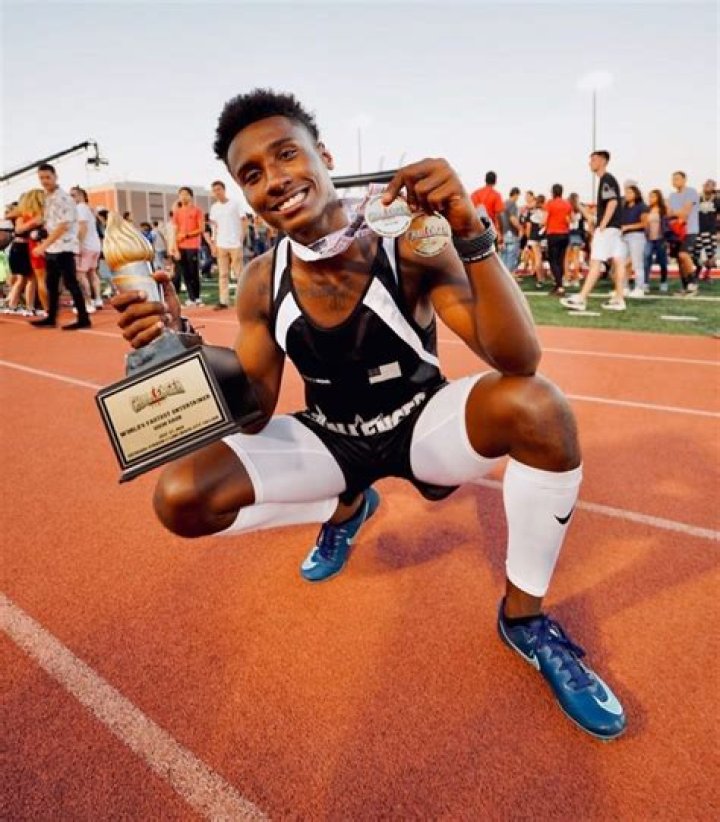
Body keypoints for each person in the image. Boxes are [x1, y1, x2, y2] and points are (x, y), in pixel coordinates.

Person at [112, 89, 626, 740]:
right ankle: (345, 506)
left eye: (286, 154)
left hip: (422, 424)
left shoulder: (406, 241)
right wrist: (189, 353)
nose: (274, 180)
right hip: (335, 438)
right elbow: (256, 412)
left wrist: (471, 233)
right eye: (252, 174)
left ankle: (524, 619)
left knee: (539, 406)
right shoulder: (262, 279)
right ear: (245, 195)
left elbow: (517, 357)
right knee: (182, 498)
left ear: (324, 157)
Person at [561, 151, 626, 312]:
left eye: (594, 159)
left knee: (595, 262)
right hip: (614, 228)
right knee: (618, 262)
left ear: (603, 161)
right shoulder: (607, 180)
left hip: (608, 228)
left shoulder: (606, 179)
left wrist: (602, 224)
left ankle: (581, 298)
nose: (590, 163)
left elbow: (612, 202)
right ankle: (619, 298)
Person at [30, 164, 90, 329]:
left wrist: (43, 246)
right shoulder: (48, 198)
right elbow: (49, 222)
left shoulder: (64, 198)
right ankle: (51, 317)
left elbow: (63, 226)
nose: (44, 181)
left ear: (55, 177)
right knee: (51, 283)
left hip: (64, 247)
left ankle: (83, 318)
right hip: (52, 248)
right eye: (41, 178)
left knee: (71, 283)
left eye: (47, 177)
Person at [209, 180, 244, 310]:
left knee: (238, 273)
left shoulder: (235, 204)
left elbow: (243, 220)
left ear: (224, 190)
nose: (217, 192)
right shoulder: (214, 208)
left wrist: (241, 238)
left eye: (219, 189)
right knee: (223, 274)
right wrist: (213, 243)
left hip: (235, 243)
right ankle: (223, 301)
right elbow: (214, 226)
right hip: (221, 243)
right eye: (214, 190)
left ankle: (242, 299)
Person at [71, 186, 103, 312]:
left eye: (73, 195)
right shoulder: (89, 209)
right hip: (94, 246)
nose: (70, 198)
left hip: (85, 246)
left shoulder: (80, 208)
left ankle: (87, 303)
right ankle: (98, 299)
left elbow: (82, 227)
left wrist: (78, 244)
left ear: (81, 196)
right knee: (92, 273)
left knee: (80, 274)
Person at [667, 171, 699, 295]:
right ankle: (685, 287)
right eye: (673, 179)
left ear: (684, 180)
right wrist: (676, 213)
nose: (674, 181)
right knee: (679, 260)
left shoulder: (691, 192)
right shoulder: (672, 196)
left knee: (683, 255)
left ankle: (693, 282)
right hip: (675, 231)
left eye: (677, 178)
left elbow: (685, 213)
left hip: (690, 230)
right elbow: (668, 213)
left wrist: (675, 213)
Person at [171, 187, 204, 306]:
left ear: (191, 196)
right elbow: (174, 231)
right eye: (181, 195)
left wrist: (186, 235)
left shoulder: (197, 211)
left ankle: (197, 297)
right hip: (181, 247)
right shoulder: (177, 213)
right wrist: (175, 248)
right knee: (185, 273)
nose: (183, 197)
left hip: (193, 246)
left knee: (194, 271)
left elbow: (201, 229)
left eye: (186, 194)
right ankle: (191, 297)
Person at [543, 184, 572, 296]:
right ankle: (558, 285)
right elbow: (570, 220)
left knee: (553, 261)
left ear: (553, 192)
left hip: (553, 234)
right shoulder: (567, 204)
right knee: (560, 260)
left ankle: (559, 286)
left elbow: (544, 220)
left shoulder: (550, 203)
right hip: (565, 234)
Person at [620, 184, 648, 297]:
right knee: (623, 263)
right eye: (626, 192)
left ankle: (639, 288)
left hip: (637, 236)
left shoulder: (642, 207)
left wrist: (628, 227)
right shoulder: (624, 207)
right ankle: (624, 287)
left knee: (637, 263)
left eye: (629, 192)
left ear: (636, 194)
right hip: (624, 236)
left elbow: (644, 223)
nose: (627, 195)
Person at [644, 189, 669, 292]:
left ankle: (663, 282)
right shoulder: (647, 210)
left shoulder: (663, 210)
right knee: (646, 259)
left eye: (653, 196)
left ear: (658, 198)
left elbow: (666, 225)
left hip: (660, 239)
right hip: (649, 239)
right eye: (650, 196)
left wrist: (666, 239)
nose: (651, 198)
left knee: (662, 262)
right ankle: (646, 283)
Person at [470, 171, 505, 239]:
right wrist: (501, 232)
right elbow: (499, 216)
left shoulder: (475, 193)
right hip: (490, 232)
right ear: (495, 181)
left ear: (485, 180)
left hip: (475, 232)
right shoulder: (496, 195)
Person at [696, 179, 718, 280]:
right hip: (698, 230)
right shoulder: (698, 198)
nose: (706, 186)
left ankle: (706, 274)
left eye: (709, 185)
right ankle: (697, 273)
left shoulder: (717, 200)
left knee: (710, 253)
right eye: (705, 184)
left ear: (713, 187)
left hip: (711, 231)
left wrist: (718, 231)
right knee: (696, 254)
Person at [498, 187, 521, 273]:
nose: (518, 198)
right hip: (512, 233)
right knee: (511, 257)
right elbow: (513, 219)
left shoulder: (503, 204)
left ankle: (502, 277)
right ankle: (509, 276)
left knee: (503, 257)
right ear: (515, 194)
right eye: (518, 196)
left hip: (504, 233)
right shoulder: (512, 204)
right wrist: (521, 228)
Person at [565, 193, 586, 286]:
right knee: (576, 258)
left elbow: (567, 221)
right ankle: (576, 279)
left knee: (566, 258)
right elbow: (583, 225)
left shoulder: (567, 209)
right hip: (577, 235)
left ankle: (566, 279)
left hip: (568, 234)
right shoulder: (580, 210)